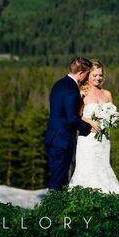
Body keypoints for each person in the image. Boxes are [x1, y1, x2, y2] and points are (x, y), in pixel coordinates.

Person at [68, 58, 119, 195]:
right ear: (87, 75)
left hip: (104, 139)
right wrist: (90, 122)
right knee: (88, 170)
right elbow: (75, 116)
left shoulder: (107, 94)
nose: (98, 78)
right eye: (95, 75)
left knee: (103, 168)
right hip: (88, 139)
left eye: (100, 75)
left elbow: (113, 113)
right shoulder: (82, 93)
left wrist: (112, 118)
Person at [44, 57, 94, 190]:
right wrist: (89, 127)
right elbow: (72, 118)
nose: (86, 78)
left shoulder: (59, 84)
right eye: (87, 74)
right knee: (58, 181)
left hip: (53, 137)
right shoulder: (72, 89)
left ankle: (53, 206)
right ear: (81, 73)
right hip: (63, 141)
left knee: (55, 177)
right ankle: (54, 209)